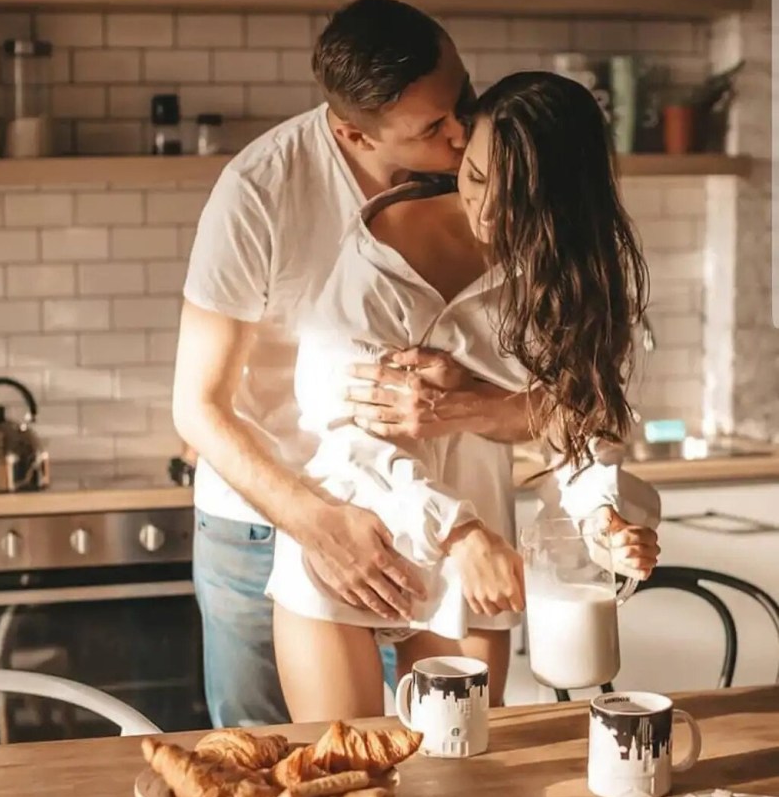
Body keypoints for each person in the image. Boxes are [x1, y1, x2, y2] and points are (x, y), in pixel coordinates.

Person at [173, 0, 540, 729]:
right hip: (268, 520)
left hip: (423, 513)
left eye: (461, 99)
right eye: (433, 128)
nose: (462, 131)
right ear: (350, 130)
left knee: (439, 762)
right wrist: (317, 521)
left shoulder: (478, 174)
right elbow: (198, 407)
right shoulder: (260, 192)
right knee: (278, 762)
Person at [268, 71, 662, 722]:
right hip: (357, 543)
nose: (487, 214)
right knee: (351, 773)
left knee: (458, 776)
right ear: (463, 147)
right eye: (476, 179)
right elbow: (344, 439)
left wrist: (603, 515)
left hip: (475, 567)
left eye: (518, 203)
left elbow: (573, 426)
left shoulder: (565, 269)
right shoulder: (380, 252)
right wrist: (457, 530)